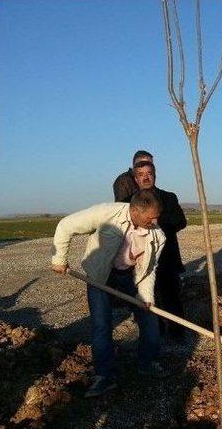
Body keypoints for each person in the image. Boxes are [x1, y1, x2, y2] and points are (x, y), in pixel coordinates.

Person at [51, 190, 169, 398]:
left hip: (132, 277)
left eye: (157, 215)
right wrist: (59, 258)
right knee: (101, 324)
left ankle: (147, 362)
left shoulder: (157, 235)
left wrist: (147, 298)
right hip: (100, 276)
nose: (156, 220)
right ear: (134, 210)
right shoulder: (106, 213)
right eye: (151, 217)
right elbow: (65, 226)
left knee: (149, 317)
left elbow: (149, 269)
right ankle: (105, 376)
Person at [124, 160, 187, 340]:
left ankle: (177, 333)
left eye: (149, 173)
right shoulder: (128, 202)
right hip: (141, 259)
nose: (146, 177)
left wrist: (156, 220)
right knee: (147, 298)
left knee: (172, 296)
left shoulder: (169, 197)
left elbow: (181, 222)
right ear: (135, 178)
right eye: (141, 174)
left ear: (155, 175)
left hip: (167, 256)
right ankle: (154, 333)